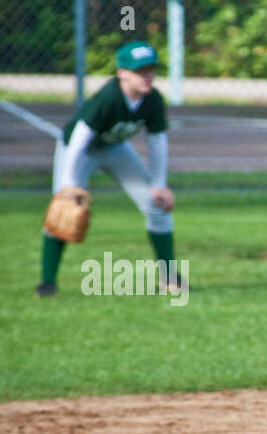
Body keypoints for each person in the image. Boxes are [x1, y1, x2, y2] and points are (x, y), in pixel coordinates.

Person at [35, 41, 179, 297]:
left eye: (151, 69)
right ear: (122, 73)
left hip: (115, 149)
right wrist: (68, 183)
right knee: (62, 210)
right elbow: (79, 136)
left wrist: (159, 183)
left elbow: (157, 140)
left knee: (156, 205)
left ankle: (169, 278)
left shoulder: (153, 100)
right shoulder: (109, 97)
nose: (148, 76)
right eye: (140, 71)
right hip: (80, 150)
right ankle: (47, 282)